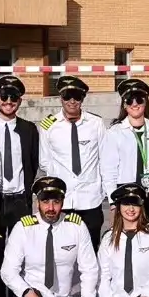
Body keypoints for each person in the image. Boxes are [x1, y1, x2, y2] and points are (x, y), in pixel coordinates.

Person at [0, 176, 100, 297]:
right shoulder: (23, 228)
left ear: (63, 201)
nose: (51, 208)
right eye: (45, 201)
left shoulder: (76, 226)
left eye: (56, 201)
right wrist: (27, 293)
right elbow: (8, 271)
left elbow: (90, 271)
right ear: (38, 202)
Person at [38, 76, 107, 248]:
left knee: (91, 248)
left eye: (77, 96)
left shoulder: (96, 123)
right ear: (60, 98)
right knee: (63, 250)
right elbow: (45, 161)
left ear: (83, 98)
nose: (72, 101)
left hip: (90, 199)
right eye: (67, 96)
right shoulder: (48, 125)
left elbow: (105, 158)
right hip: (63, 200)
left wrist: (103, 191)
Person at [100, 78, 149, 232]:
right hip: (126, 193)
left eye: (139, 99)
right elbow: (108, 170)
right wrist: (113, 202)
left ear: (145, 103)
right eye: (129, 100)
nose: (135, 104)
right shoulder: (114, 133)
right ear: (124, 105)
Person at [0, 75, 40, 237]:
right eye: (4, 96)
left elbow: (33, 162)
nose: (8, 101)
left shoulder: (29, 129)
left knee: (23, 245)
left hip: (20, 199)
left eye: (13, 97)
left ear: (20, 101)